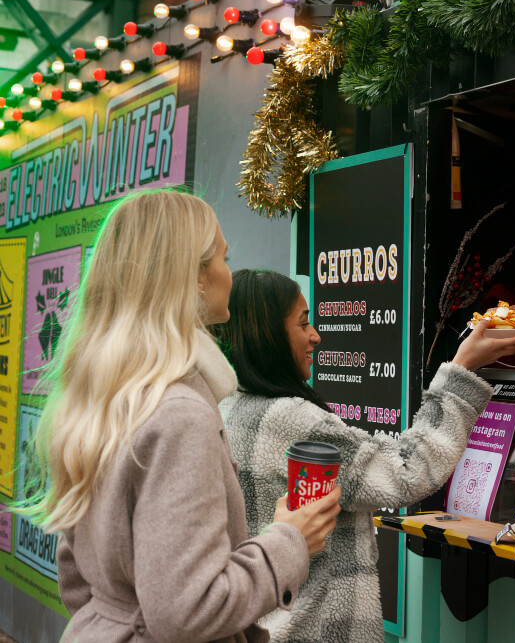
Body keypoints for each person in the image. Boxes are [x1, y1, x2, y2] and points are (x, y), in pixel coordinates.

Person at [16, 192, 342, 643]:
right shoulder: (181, 413)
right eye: (224, 258)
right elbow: (188, 610)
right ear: (194, 278)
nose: (230, 273)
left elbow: (76, 576)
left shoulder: (109, 395)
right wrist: (289, 540)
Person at [214, 269, 515, 642]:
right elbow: (409, 471)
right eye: (303, 324)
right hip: (316, 630)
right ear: (267, 336)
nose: (316, 335)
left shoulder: (227, 407)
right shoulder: (293, 420)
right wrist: (461, 370)